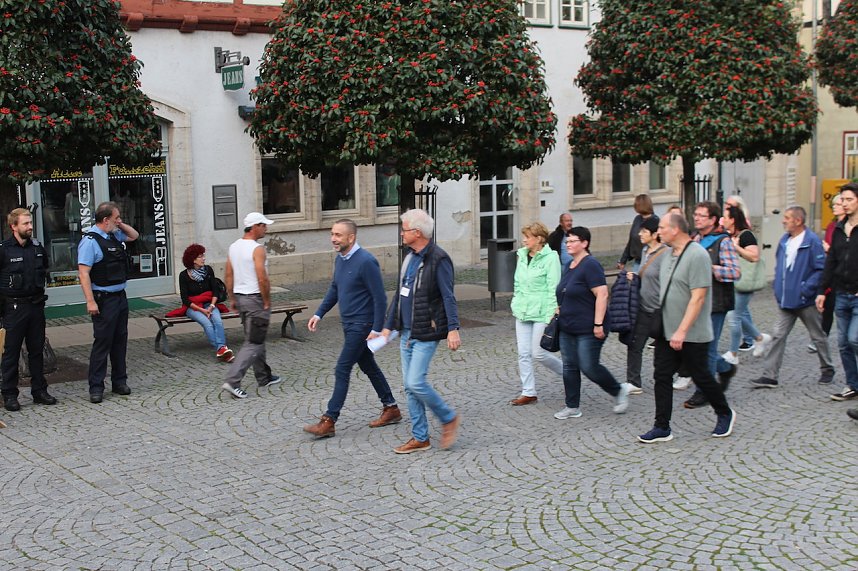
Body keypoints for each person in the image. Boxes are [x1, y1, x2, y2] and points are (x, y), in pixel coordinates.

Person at [638, 213, 735, 443]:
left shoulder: (697, 255)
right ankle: (662, 426)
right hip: (666, 330)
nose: (658, 231)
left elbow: (698, 297)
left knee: (701, 376)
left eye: (662, 227)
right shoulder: (668, 254)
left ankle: (724, 412)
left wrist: (682, 330)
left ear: (676, 229)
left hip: (692, 332)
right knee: (661, 375)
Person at [303, 219, 400, 438]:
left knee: (342, 367)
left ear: (351, 237)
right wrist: (318, 313)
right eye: (332, 234)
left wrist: (377, 328)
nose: (333, 239)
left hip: (362, 325)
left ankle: (329, 420)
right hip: (348, 323)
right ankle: (391, 408)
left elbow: (380, 298)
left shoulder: (366, 261)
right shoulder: (340, 260)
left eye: (338, 235)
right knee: (368, 365)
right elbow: (335, 289)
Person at [381, 209, 461, 454]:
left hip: (428, 330)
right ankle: (420, 437)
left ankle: (448, 417)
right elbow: (400, 293)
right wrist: (387, 327)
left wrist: (453, 328)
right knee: (409, 386)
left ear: (417, 232)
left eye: (404, 229)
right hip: (406, 332)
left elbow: (448, 295)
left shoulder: (439, 258)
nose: (402, 233)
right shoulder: (409, 257)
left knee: (415, 381)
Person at [751, 207, 834, 388]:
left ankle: (827, 368)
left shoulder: (812, 241)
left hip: (806, 300)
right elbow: (780, 267)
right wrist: (778, 289)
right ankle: (770, 375)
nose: (783, 221)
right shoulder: (784, 240)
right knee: (778, 336)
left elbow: (821, 269)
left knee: (817, 335)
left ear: (798, 221)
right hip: (786, 300)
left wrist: (807, 288)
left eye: (787, 218)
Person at [553, 226, 630, 420]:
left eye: (573, 241)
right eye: (567, 241)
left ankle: (618, 390)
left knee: (589, 365)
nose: (568, 244)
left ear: (585, 243)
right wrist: (560, 307)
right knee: (569, 366)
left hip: (589, 327)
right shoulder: (570, 265)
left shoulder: (591, 264)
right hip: (567, 326)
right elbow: (567, 292)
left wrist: (597, 324)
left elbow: (602, 294)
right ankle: (572, 406)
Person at [78, 201, 138, 403]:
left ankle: (119, 382)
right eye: (116, 218)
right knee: (103, 343)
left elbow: (134, 236)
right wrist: (90, 301)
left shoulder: (113, 235)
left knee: (120, 341)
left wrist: (120, 224)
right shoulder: (90, 241)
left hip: (120, 297)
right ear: (105, 220)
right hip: (103, 299)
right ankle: (96, 387)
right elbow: (84, 273)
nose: (119, 221)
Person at [683, 201, 741, 409]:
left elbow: (735, 272)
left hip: (715, 303)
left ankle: (704, 391)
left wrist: (711, 267)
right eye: (695, 214)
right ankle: (725, 367)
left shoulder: (722, 242)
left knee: (707, 347)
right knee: (696, 346)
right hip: (696, 300)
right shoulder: (695, 239)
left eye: (701, 215)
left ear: (713, 219)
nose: (696, 218)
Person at [0, 208, 56, 411]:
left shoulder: (37, 248)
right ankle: (9, 394)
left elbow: (45, 270)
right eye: (25, 223)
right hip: (13, 307)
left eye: (30, 223)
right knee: (11, 353)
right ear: (13, 226)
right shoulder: (4, 249)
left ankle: (39, 391)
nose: (30, 227)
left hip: (36, 306)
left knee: (36, 350)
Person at [221, 212, 281, 399]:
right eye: (263, 225)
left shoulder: (234, 247)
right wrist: (267, 299)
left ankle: (264, 376)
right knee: (253, 342)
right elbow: (261, 276)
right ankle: (233, 381)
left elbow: (228, 275)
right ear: (255, 226)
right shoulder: (257, 249)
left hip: (241, 297)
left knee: (255, 337)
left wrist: (232, 297)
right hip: (255, 298)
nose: (266, 228)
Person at [509, 221, 562, 405]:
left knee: (538, 353)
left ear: (539, 239)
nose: (524, 240)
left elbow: (553, 288)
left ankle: (568, 372)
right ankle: (528, 391)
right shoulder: (522, 256)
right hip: (522, 310)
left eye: (527, 237)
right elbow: (517, 282)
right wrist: (516, 301)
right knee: (523, 353)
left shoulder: (551, 258)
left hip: (541, 311)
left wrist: (550, 314)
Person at [816, 183, 858, 403]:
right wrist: (823, 290)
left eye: (849, 199)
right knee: (842, 342)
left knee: (854, 338)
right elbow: (831, 261)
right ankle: (852, 384)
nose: (844, 203)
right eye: (843, 200)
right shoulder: (840, 228)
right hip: (841, 293)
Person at [721, 205, 771, 365]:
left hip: (744, 281)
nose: (723, 220)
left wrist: (735, 247)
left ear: (733, 220)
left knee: (734, 316)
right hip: (733, 282)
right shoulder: (728, 235)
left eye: (726, 217)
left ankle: (733, 353)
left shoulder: (746, 235)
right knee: (737, 315)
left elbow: (754, 256)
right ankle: (759, 338)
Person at [625, 216, 668, 395]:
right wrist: (634, 277)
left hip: (660, 309)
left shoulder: (666, 253)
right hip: (643, 307)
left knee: (668, 347)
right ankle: (633, 382)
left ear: (655, 233)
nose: (639, 234)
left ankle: (685, 372)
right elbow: (644, 274)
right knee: (635, 344)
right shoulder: (645, 251)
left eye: (644, 231)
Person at [179, 244, 234, 363]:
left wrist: (211, 306)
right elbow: (185, 300)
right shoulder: (183, 276)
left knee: (218, 321)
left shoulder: (208, 270)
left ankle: (221, 349)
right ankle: (221, 348)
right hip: (193, 307)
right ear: (193, 259)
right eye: (200, 256)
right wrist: (203, 311)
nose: (204, 258)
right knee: (207, 323)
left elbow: (215, 291)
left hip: (210, 304)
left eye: (203, 255)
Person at [813, 193, 845, 353]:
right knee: (826, 307)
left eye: (838, 204)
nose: (835, 206)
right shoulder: (832, 226)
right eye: (834, 204)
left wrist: (829, 249)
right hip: (830, 271)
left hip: (845, 277)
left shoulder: (848, 227)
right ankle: (822, 338)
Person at [618, 194, 658, 272]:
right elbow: (631, 241)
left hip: (650, 261)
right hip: (638, 261)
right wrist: (623, 260)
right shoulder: (637, 219)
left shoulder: (655, 221)